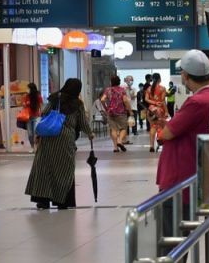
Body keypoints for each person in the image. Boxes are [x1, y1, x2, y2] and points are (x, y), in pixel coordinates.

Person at [156, 50, 209, 263]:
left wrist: (163, 127)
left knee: (170, 240)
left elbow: (168, 133)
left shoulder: (197, 102)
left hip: (180, 181)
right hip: (191, 177)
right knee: (175, 239)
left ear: (185, 74)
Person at [26, 78, 94, 210]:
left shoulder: (54, 98)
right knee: (64, 170)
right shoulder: (77, 104)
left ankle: (42, 201)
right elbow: (83, 122)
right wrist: (90, 133)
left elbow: (45, 113)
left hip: (49, 136)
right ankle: (62, 201)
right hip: (66, 139)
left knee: (44, 168)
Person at [99, 75, 130, 153]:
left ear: (111, 82)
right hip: (121, 112)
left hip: (111, 112)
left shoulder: (108, 90)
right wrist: (130, 110)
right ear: (119, 82)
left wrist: (106, 108)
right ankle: (120, 141)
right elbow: (125, 101)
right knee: (123, 128)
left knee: (113, 129)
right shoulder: (122, 90)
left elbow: (102, 99)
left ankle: (115, 147)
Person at [145, 73, 168, 152]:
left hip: (151, 110)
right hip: (159, 110)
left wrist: (153, 103)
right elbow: (162, 101)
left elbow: (146, 99)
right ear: (159, 79)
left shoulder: (149, 88)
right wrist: (166, 111)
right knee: (160, 126)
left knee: (153, 127)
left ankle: (151, 146)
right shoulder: (162, 88)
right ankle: (159, 140)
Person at [23, 83, 43, 150]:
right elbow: (24, 106)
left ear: (31, 89)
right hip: (28, 117)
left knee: (35, 132)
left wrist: (42, 114)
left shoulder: (38, 96)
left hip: (36, 116)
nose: (27, 90)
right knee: (30, 134)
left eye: (28, 88)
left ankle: (36, 146)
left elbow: (41, 106)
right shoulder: (26, 97)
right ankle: (32, 146)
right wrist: (25, 104)